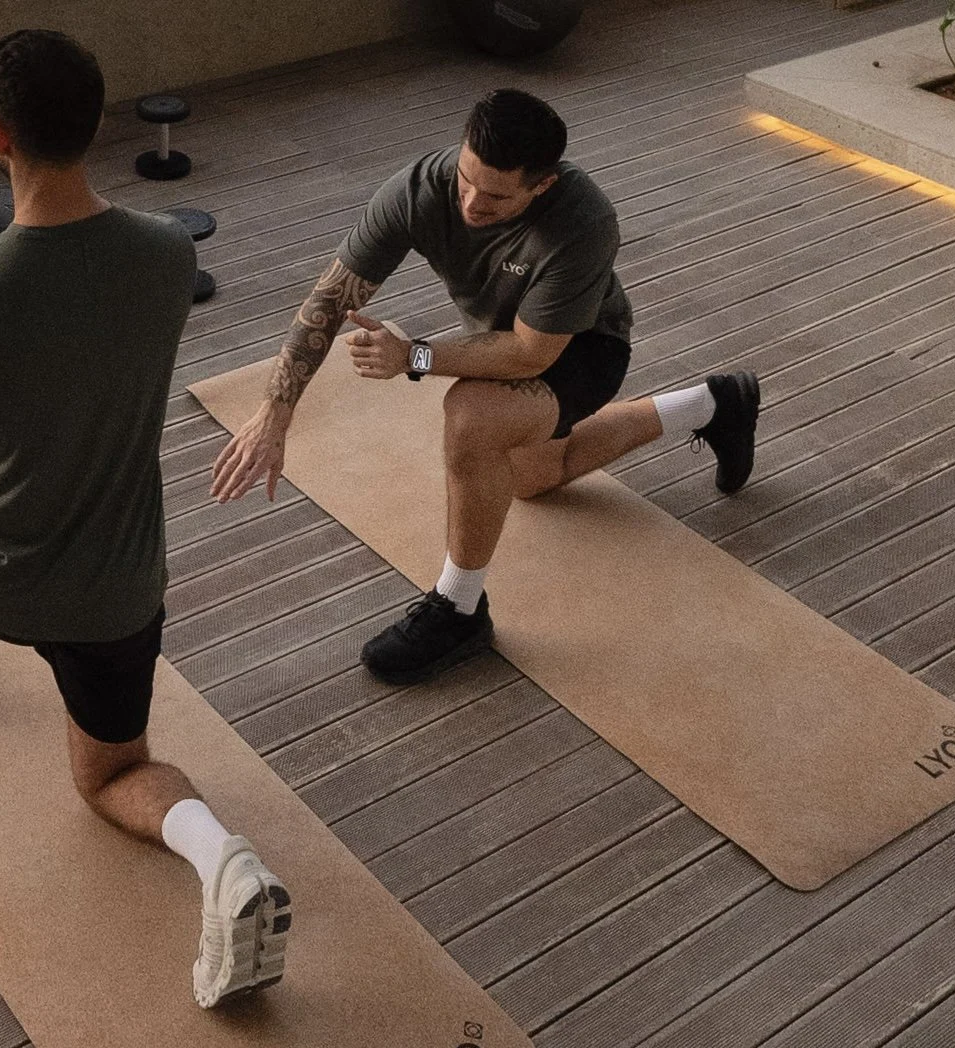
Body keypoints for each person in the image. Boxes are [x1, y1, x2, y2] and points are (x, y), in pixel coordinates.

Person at [0, 29, 291, 1009]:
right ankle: (224, 859)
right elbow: (73, 325)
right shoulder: (167, 255)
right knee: (111, 776)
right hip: (121, 591)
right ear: (96, 127)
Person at [210, 87, 760, 685]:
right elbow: (331, 298)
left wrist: (413, 356)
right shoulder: (421, 188)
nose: (471, 202)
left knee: (473, 418)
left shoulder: (583, 221)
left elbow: (530, 355)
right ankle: (713, 403)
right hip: (500, 338)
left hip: (582, 351)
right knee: (529, 479)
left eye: (496, 196)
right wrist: (275, 412)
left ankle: (460, 608)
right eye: (466, 180)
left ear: (541, 185)